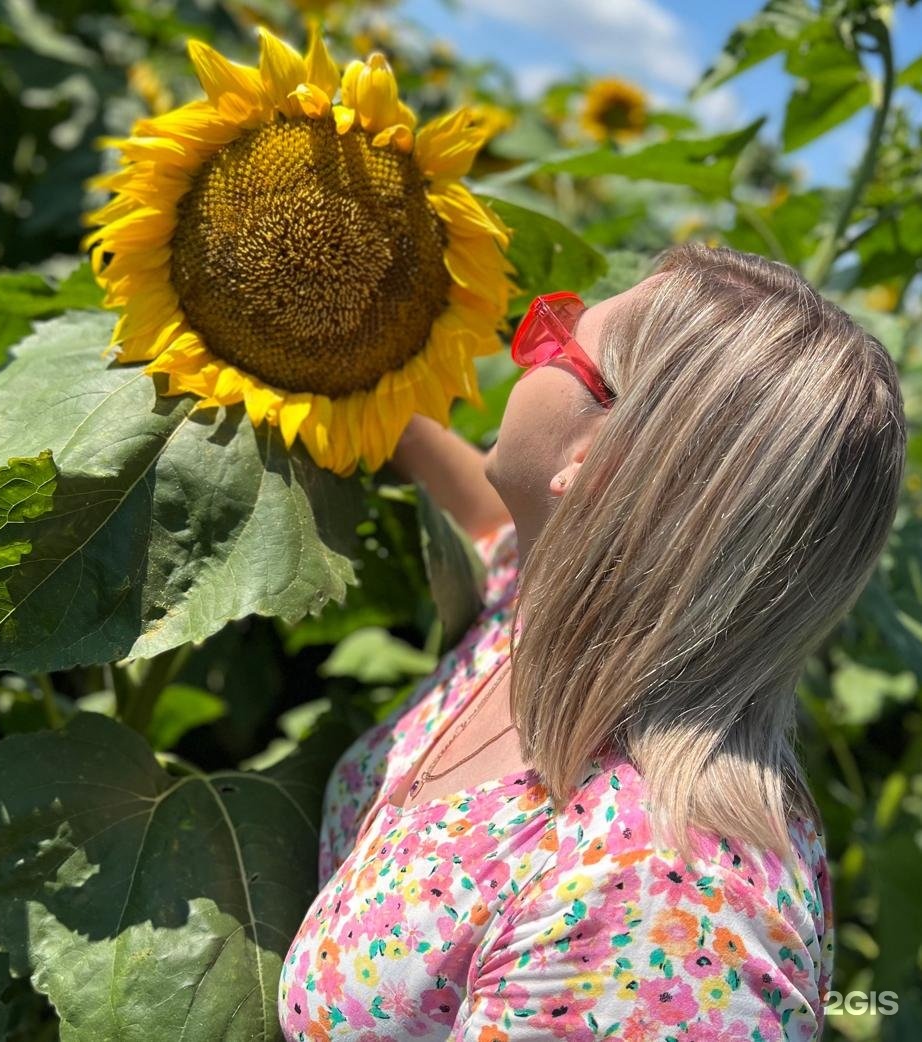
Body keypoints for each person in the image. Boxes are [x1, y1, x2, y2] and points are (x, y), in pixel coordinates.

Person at [277, 241, 906, 1041]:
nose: (530, 348)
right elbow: (491, 518)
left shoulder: (662, 905)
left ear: (594, 463)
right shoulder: (547, 609)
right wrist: (351, 371)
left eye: (557, 341)